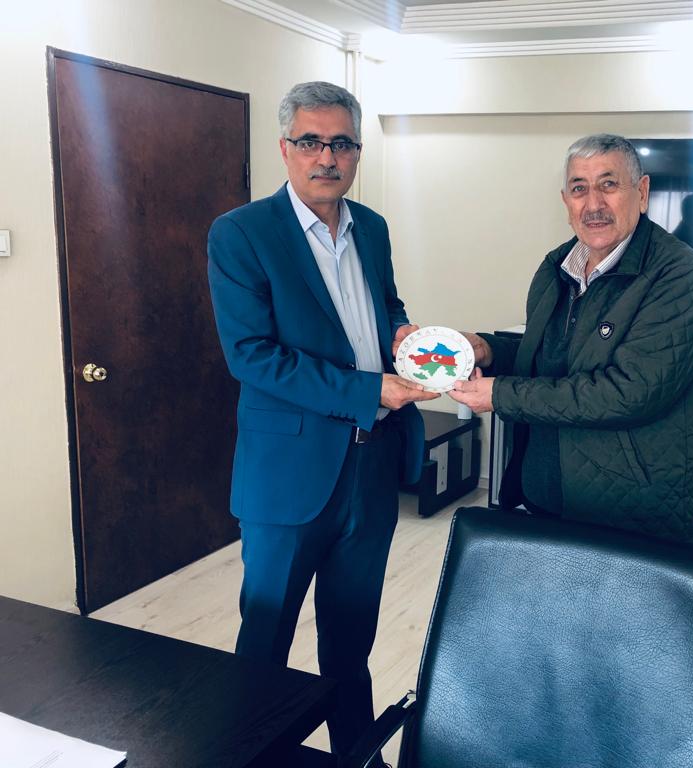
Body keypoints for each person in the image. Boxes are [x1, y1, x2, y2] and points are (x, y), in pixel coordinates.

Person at [206, 81, 437, 762]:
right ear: (285, 148)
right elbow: (252, 356)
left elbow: (384, 306)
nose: (327, 157)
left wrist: (403, 337)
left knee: (351, 640)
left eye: (341, 143)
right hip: (288, 477)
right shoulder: (241, 233)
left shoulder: (373, 228)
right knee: (266, 641)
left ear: (357, 152)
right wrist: (370, 389)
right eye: (311, 141)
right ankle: (252, 755)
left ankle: (355, 754)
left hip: (371, 467)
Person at [451, 134, 693, 543]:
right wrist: (489, 350)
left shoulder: (678, 273)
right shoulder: (556, 266)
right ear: (566, 201)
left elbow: (629, 392)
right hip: (545, 494)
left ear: (642, 192)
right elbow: (553, 357)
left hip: (629, 513)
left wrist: (500, 394)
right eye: (579, 189)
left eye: (608, 184)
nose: (593, 204)